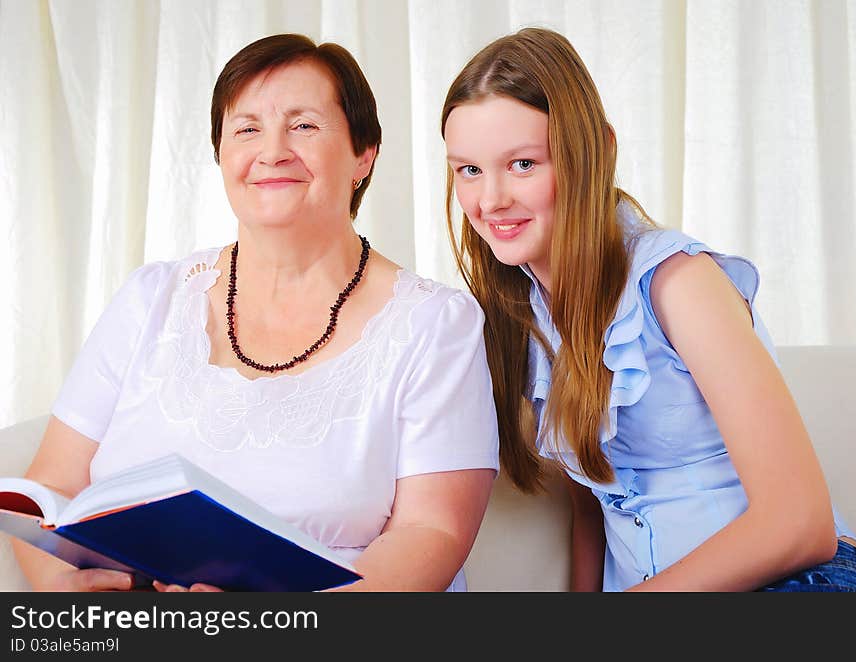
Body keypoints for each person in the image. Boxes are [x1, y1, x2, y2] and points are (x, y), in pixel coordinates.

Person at [13, 33, 499, 592]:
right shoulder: (152, 297)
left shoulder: (436, 324)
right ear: (221, 153)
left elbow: (431, 531)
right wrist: (61, 588)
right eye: (246, 129)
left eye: (304, 126)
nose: (272, 151)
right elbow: (50, 485)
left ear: (364, 154)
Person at [440, 27, 856, 592]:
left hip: (802, 581)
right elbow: (593, 506)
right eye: (468, 169)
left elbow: (801, 525)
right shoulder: (517, 317)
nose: (491, 199)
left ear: (596, 150)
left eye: (523, 164)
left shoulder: (678, 284)